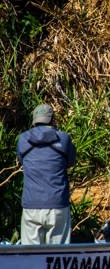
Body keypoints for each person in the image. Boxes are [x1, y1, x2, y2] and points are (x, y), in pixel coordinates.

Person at [16, 103, 77, 245]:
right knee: (57, 259)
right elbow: (71, 161)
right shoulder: (63, 139)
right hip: (58, 206)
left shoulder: (23, 139)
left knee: (31, 259)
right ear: (53, 120)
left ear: (34, 120)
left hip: (31, 205)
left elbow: (22, 161)